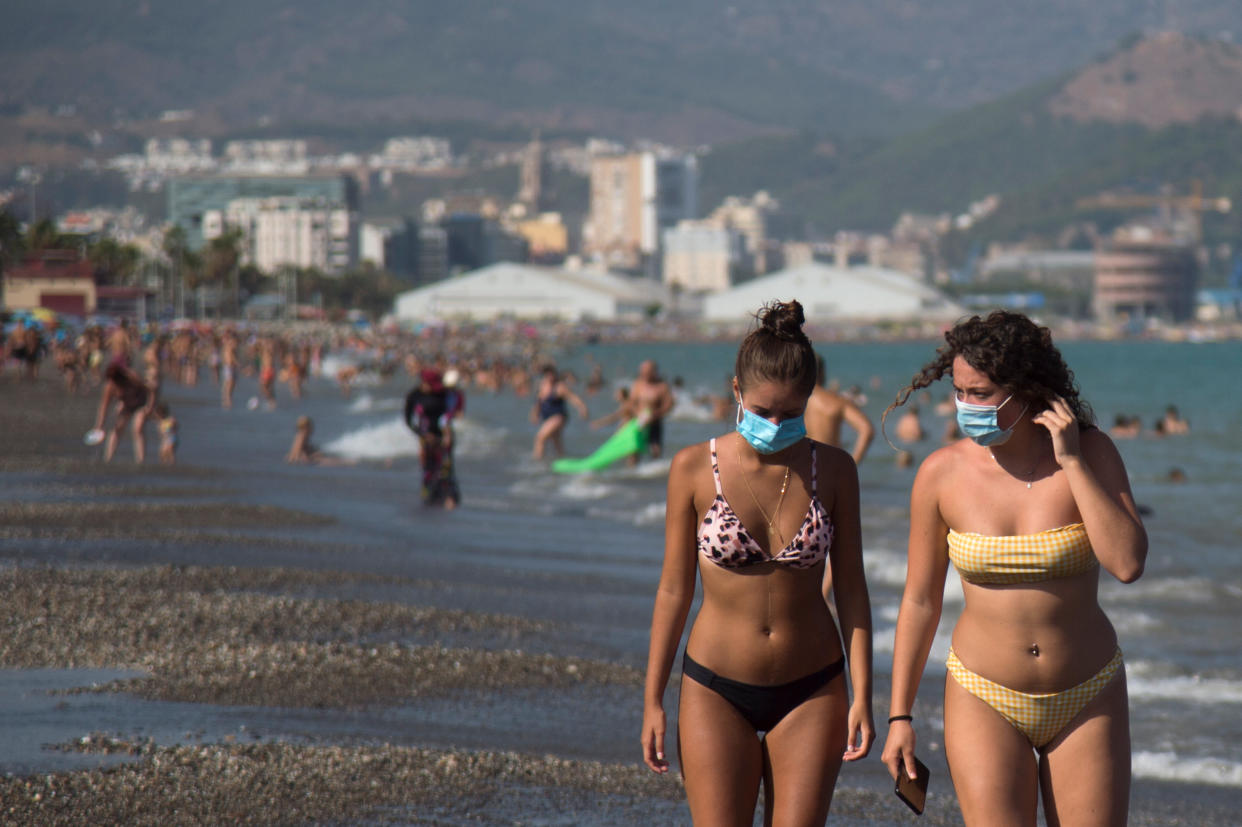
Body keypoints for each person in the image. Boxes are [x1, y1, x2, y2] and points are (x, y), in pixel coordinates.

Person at [880, 311, 1147, 826]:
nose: (965, 407)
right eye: (958, 392)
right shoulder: (941, 474)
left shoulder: (1092, 452)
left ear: (1025, 389)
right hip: (984, 694)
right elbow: (919, 601)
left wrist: (1071, 462)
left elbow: (1128, 563)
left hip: (1087, 692)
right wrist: (899, 717)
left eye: (980, 394)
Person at [642, 300, 874, 825]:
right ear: (736, 392)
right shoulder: (693, 469)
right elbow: (674, 591)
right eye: (764, 410)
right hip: (714, 687)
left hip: (813, 685)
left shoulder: (834, 470)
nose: (776, 423)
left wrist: (865, 694)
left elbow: (854, 592)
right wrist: (653, 698)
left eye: (792, 414)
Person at [804, 353, 874, 466]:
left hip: (798, 471)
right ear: (822, 372)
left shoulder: (791, 402)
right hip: (828, 469)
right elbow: (867, 429)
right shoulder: (835, 401)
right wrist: (852, 465)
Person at [405, 369, 461, 509]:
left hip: (444, 436)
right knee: (428, 468)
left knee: (446, 468)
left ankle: (448, 497)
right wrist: (422, 434)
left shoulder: (443, 394)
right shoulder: (414, 396)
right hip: (426, 438)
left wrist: (447, 434)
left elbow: (448, 415)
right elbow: (409, 419)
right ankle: (429, 497)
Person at [93, 363, 152, 463]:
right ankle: (108, 459)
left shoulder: (132, 377)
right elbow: (104, 407)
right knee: (117, 429)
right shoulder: (109, 387)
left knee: (137, 429)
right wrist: (99, 425)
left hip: (141, 403)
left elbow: (149, 389)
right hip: (126, 405)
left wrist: (149, 406)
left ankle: (141, 461)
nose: (115, 383)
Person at [530, 365, 588, 460]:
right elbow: (538, 402)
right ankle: (563, 460)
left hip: (558, 417)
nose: (550, 376)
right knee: (556, 442)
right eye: (547, 374)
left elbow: (573, 398)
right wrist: (534, 414)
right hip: (547, 417)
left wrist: (582, 408)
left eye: (552, 374)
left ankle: (537, 461)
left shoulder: (560, 387)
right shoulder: (542, 386)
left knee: (540, 438)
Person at [630, 359, 675, 459]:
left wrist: (655, 414)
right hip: (638, 422)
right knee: (633, 451)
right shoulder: (637, 385)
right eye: (642, 372)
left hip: (655, 423)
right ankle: (632, 473)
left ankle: (656, 473)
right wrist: (638, 414)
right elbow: (631, 403)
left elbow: (669, 405)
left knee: (656, 451)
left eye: (647, 372)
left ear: (654, 372)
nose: (644, 374)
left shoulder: (662, 386)